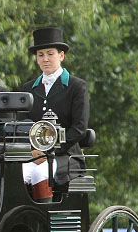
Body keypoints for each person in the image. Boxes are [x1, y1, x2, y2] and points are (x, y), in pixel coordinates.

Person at [18, 27, 89, 202]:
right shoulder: (28, 89)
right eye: (41, 55)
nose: (45, 59)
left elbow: (79, 129)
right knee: (16, 174)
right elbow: (22, 124)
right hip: (34, 155)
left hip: (67, 156)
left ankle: (43, 222)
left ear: (61, 55)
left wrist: (49, 151)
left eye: (50, 54)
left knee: (40, 172)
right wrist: (32, 150)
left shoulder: (76, 86)